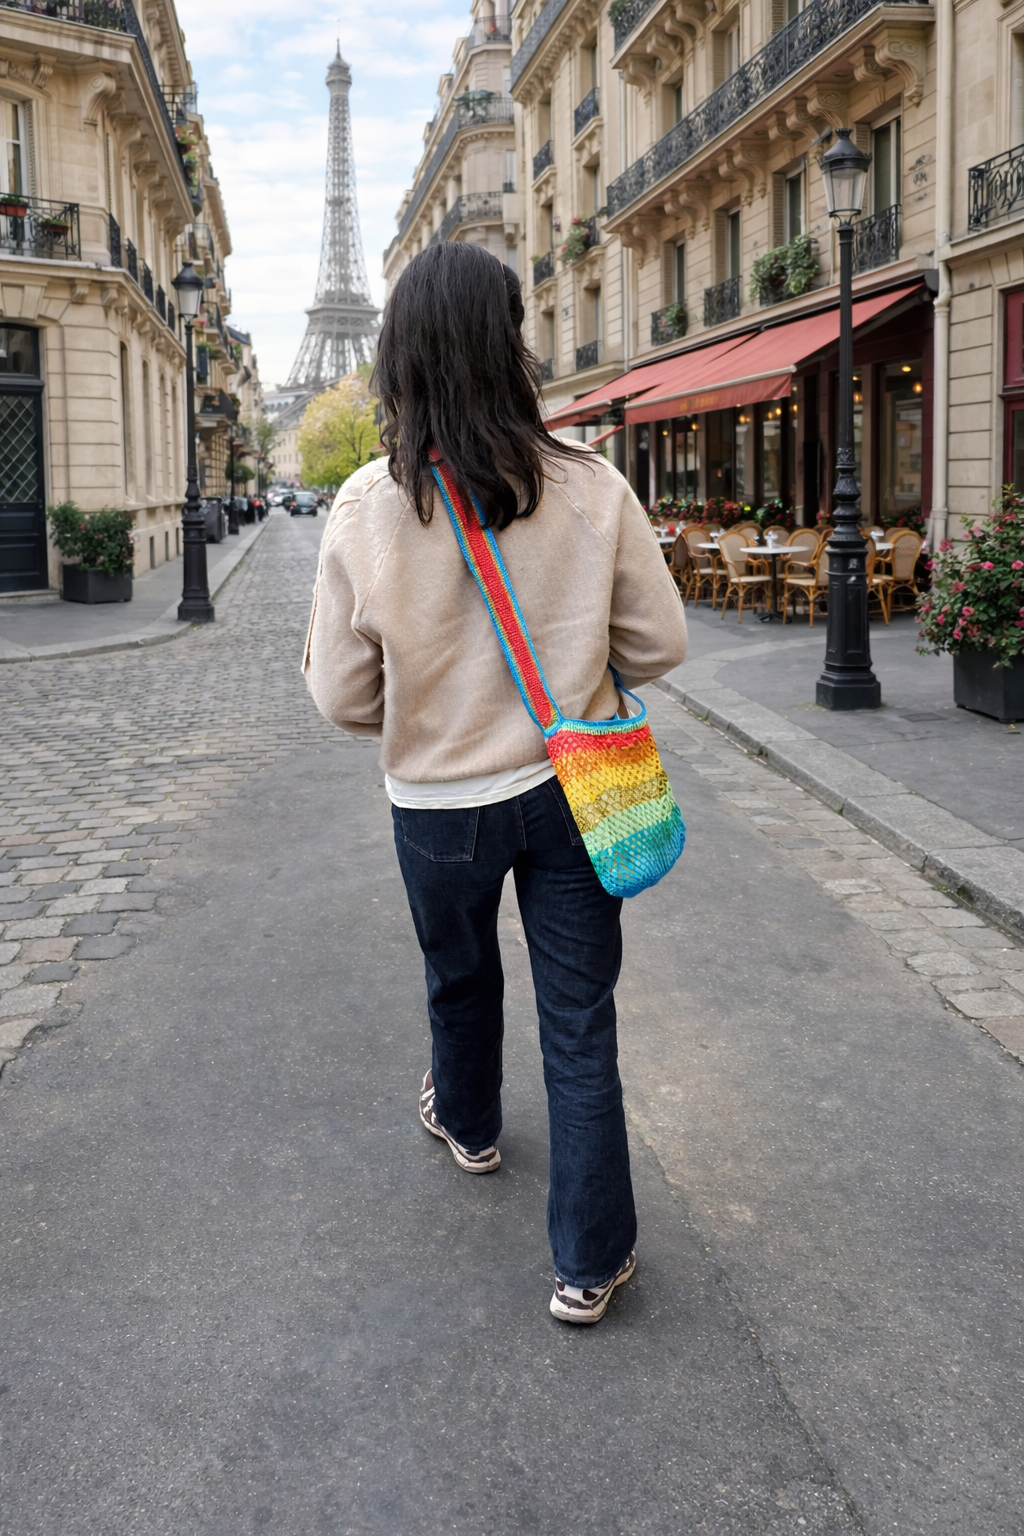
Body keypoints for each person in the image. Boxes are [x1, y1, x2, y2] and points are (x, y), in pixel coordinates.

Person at [303, 243, 687, 1324]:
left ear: (398, 357)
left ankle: (469, 1125)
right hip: (575, 788)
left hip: (437, 804)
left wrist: (424, 715)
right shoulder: (590, 484)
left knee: (458, 976)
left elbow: (341, 697)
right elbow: (659, 643)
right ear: (511, 343)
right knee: (579, 1018)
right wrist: (576, 664)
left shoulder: (366, 506)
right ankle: (589, 1260)